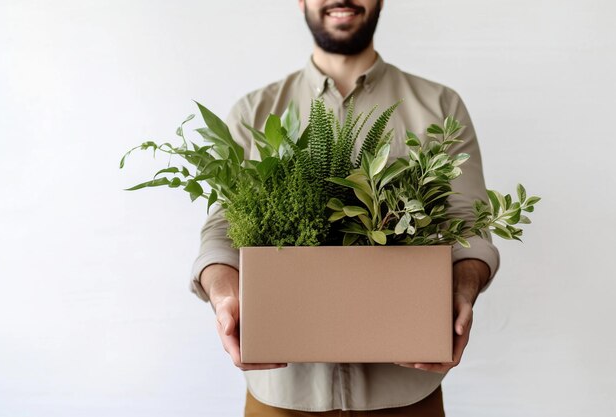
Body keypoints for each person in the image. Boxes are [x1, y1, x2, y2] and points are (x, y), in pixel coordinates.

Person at [190, 1, 500, 415]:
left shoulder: (439, 106)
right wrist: (224, 293)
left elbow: (468, 222)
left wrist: (463, 289)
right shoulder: (255, 112)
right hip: (282, 395)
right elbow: (223, 228)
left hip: (407, 394)